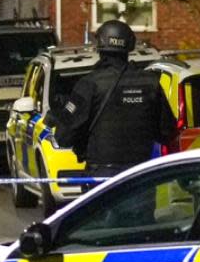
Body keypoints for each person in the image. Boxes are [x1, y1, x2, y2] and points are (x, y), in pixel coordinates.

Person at [54, 19, 177, 181]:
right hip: (141, 175)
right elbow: (168, 131)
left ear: (100, 47)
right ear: (129, 46)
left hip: (103, 177)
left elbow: (63, 137)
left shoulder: (89, 84)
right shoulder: (150, 82)